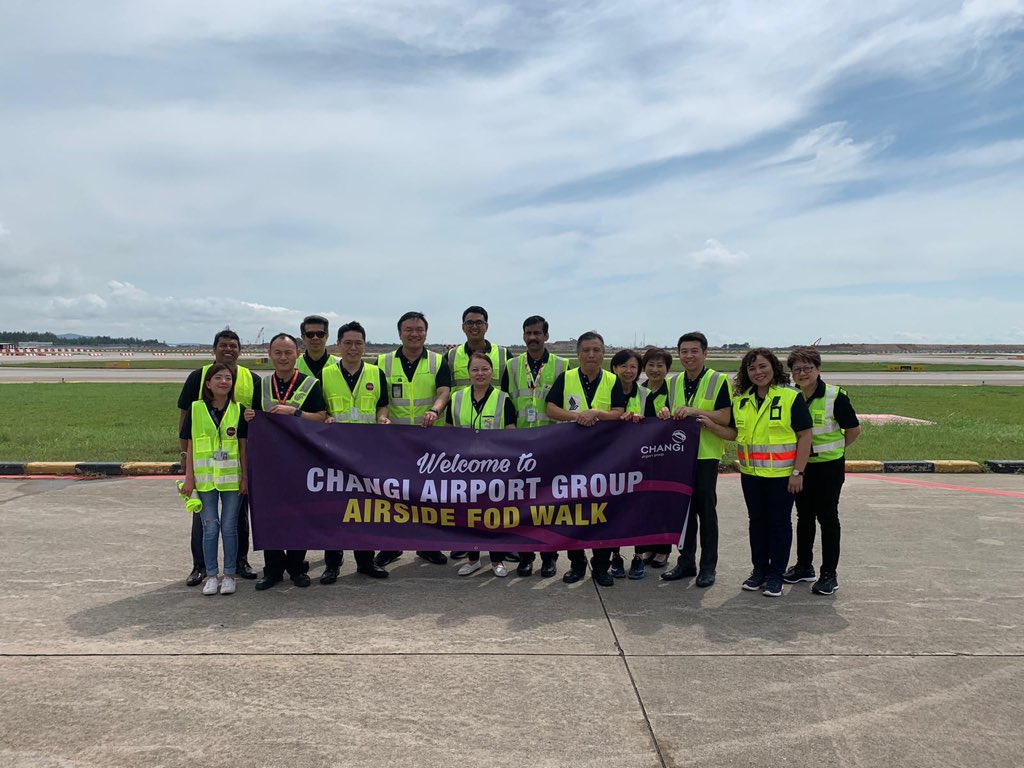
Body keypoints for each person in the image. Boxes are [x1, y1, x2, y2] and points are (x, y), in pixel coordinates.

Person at [696, 348, 812, 597]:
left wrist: (798, 472)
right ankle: (759, 570)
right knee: (757, 523)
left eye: (762, 366)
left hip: (781, 476)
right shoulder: (742, 400)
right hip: (751, 475)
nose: (758, 372)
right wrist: (712, 426)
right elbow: (735, 434)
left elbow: (805, 436)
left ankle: (776, 575)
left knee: (779, 524)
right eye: (752, 368)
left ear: (773, 367)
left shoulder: (790, 396)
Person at [243, 333, 327, 590]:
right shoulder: (261, 385)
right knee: (271, 516)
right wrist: (249, 416)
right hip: (269, 463)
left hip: (300, 461)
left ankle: (297, 567)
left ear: (297, 355)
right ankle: (273, 569)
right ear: (270, 354)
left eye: (288, 352)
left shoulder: (310, 384)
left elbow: (322, 417)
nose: (282, 357)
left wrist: (296, 412)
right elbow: (252, 423)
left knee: (299, 515)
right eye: (277, 352)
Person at [177, 330, 260, 586]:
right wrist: (184, 456)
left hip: (233, 470)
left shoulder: (252, 378)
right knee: (205, 521)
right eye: (223, 345)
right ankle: (201, 567)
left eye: (233, 346)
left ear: (240, 350)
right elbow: (185, 418)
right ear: (214, 349)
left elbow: (257, 418)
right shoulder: (197, 377)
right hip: (205, 472)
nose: (228, 349)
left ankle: (239, 563)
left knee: (236, 521)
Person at [545, 331, 627, 587]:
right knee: (573, 511)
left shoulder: (613, 380)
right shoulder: (566, 377)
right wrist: (577, 417)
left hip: (604, 458)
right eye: (586, 350)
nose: (591, 355)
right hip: (572, 458)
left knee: (604, 513)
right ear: (578, 353)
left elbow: (619, 412)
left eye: (597, 350)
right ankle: (577, 563)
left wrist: (597, 413)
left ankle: (601, 566)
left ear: (604, 353)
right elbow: (550, 408)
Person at [374, 311, 452, 568]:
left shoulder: (437, 361)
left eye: (419, 329)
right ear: (399, 333)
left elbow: (444, 391)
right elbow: (381, 400)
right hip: (394, 439)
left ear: (426, 333)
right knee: (391, 494)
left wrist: (435, 410)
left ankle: (427, 545)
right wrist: (383, 417)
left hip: (428, 439)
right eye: (409, 329)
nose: (414, 334)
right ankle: (391, 546)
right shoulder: (382, 362)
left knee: (429, 495)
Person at [783, 347, 861, 595]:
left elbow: (853, 430)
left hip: (828, 468)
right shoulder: (791, 396)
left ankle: (829, 574)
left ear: (819, 369)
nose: (803, 373)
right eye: (797, 369)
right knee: (803, 517)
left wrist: (835, 450)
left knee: (828, 519)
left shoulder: (834, 396)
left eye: (808, 368)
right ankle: (804, 566)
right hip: (802, 468)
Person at [319, 321, 391, 581]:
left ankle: (365, 561)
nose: (353, 348)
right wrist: (326, 417)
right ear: (338, 345)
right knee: (333, 509)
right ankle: (332, 564)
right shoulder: (326, 374)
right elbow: (320, 409)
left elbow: (383, 405)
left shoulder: (375, 372)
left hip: (366, 454)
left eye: (358, 343)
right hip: (334, 453)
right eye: (347, 343)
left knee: (365, 510)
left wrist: (382, 418)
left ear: (365, 345)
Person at [660, 332, 732, 588]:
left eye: (694, 351)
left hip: (706, 455)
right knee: (684, 512)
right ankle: (686, 561)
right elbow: (669, 414)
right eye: (684, 351)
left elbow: (725, 417)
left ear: (705, 353)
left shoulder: (718, 380)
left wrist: (695, 411)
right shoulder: (673, 382)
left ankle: (708, 566)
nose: (689, 356)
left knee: (705, 512)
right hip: (679, 457)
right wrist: (665, 412)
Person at [501, 315, 567, 577]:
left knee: (549, 504)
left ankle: (549, 556)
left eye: (537, 333)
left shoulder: (562, 366)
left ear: (546, 336)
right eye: (528, 333)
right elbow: (505, 402)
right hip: (520, 445)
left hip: (550, 444)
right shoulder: (513, 365)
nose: (532, 338)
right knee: (522, 502)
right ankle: (525, 556)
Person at [445, 305, 512, 562]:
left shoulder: (503, 354)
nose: (475, 326)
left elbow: (506, 392)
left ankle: (503, 545)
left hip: (495, 448)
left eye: (479, 322)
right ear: (463, 326)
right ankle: (465, 543)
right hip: (463, 447)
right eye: (470, 323)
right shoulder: (451, 357)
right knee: (465, 499)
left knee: (499, 500)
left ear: (487, 325)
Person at [179, 363, 248, 596]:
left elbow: (243, 448)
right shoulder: (196, 409)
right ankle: (211, 575)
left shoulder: (239, 410)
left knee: (229, 527)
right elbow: (189, 446)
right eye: (218, 377)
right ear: (208, 383)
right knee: (210, 528)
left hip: (231, 480)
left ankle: (229, 574)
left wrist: (245, 478)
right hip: (205, 480)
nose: (224, 382)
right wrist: (189, 478)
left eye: (228, 378)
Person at [295, 314, 346, 581]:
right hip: (301, 446)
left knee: (334, 504)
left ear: (328, 337)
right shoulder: (293, 366)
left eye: (320, 334)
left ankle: (333, 561)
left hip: (333, 447)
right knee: (303, 503)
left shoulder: (340, 365)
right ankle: (297, 560)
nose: (315, 338)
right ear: (302, 337)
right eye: (310, 334)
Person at [626, 347, 674, 579]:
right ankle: (643, 547)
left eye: (660, 366)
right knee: (641, 504)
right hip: (640, 457)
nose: (655, 370)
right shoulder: (638, 391)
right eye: (651, 365)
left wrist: (671, 415)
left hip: (665, 457)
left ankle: (663, 549)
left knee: (662, 502)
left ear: (667, 369)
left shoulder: (672, 393)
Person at [608, 348, 646, 579]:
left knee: (637, 511)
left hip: (638, 462)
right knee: (613, 511)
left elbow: (655, 426)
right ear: (614, 368)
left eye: (633, 366)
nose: (628, 371)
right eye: (623, 366)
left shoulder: (645, 395)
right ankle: (615, 556)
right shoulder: (606, 390)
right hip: (611, 462)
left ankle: (639, 557)